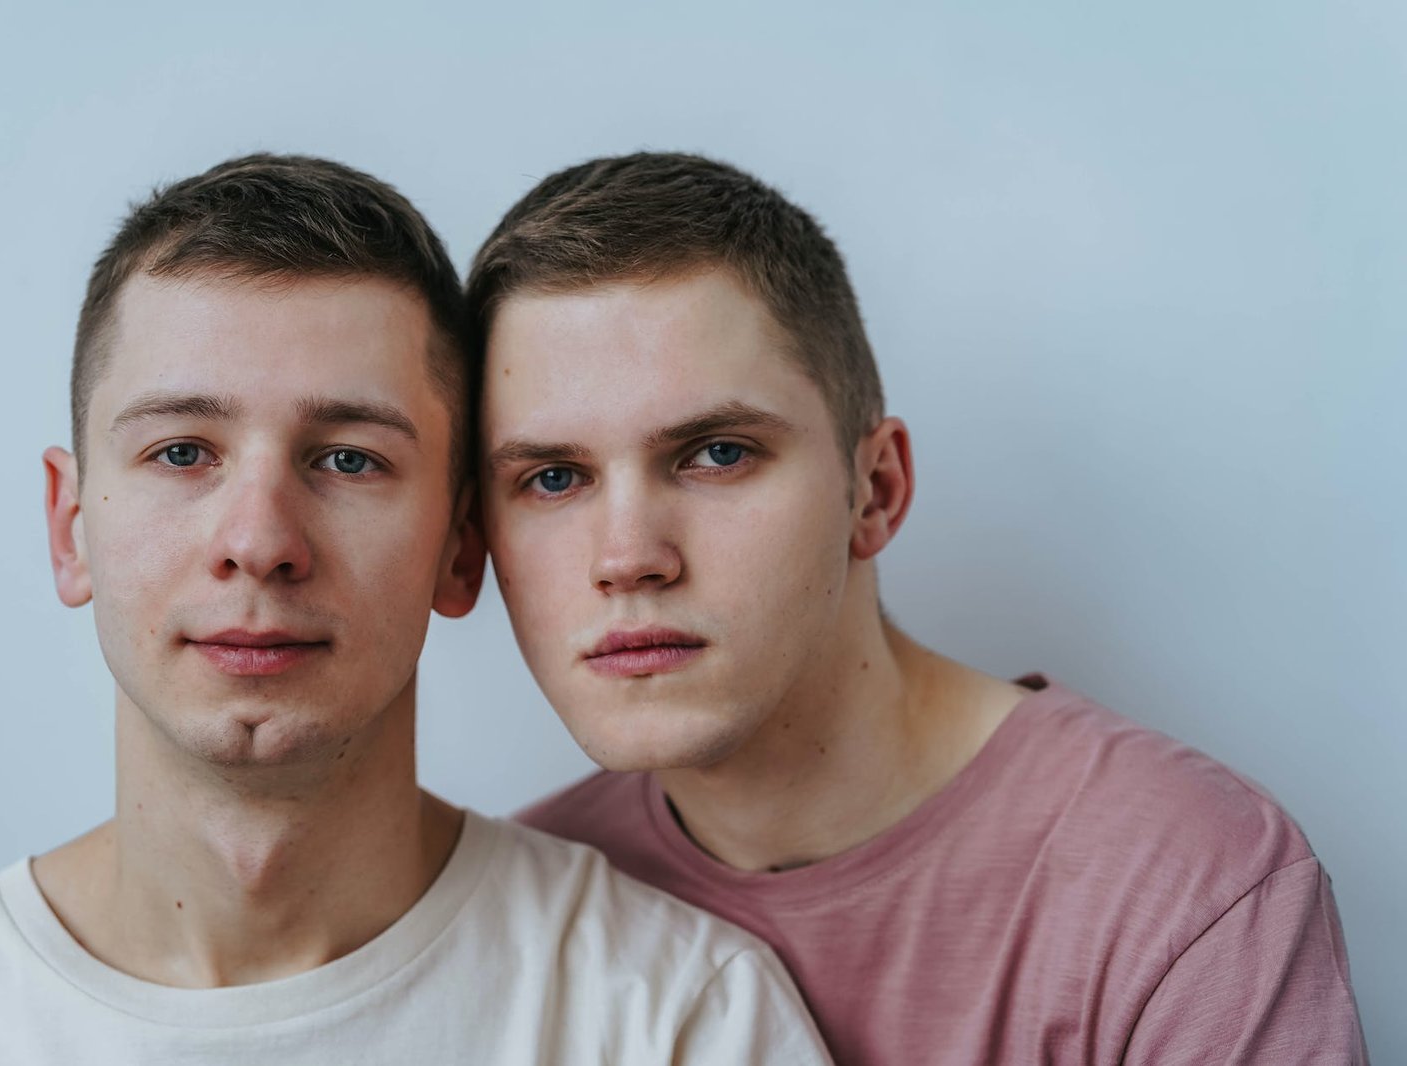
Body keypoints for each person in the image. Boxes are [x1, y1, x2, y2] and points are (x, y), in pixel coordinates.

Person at [0, 154, 830, 1065]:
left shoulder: (677, 1019)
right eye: (181, 453)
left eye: (348, 459)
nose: (259, 539)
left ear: (460, 546)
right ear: (70, 526)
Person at [470, 151, 1369, 1063]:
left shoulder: (1184, 881)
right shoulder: (517, 911)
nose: (628, 558)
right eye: (552, 477)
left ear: (876, 489)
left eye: (717, 454)